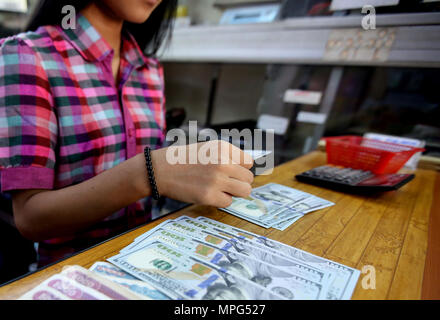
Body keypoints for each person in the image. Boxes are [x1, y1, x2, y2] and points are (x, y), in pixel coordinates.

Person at [0, 0, 254, 267]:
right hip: (73, 274)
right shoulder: (26, 54)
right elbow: (30, 218)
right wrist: (151, 172)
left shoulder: (150, 69)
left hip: (147, 263)